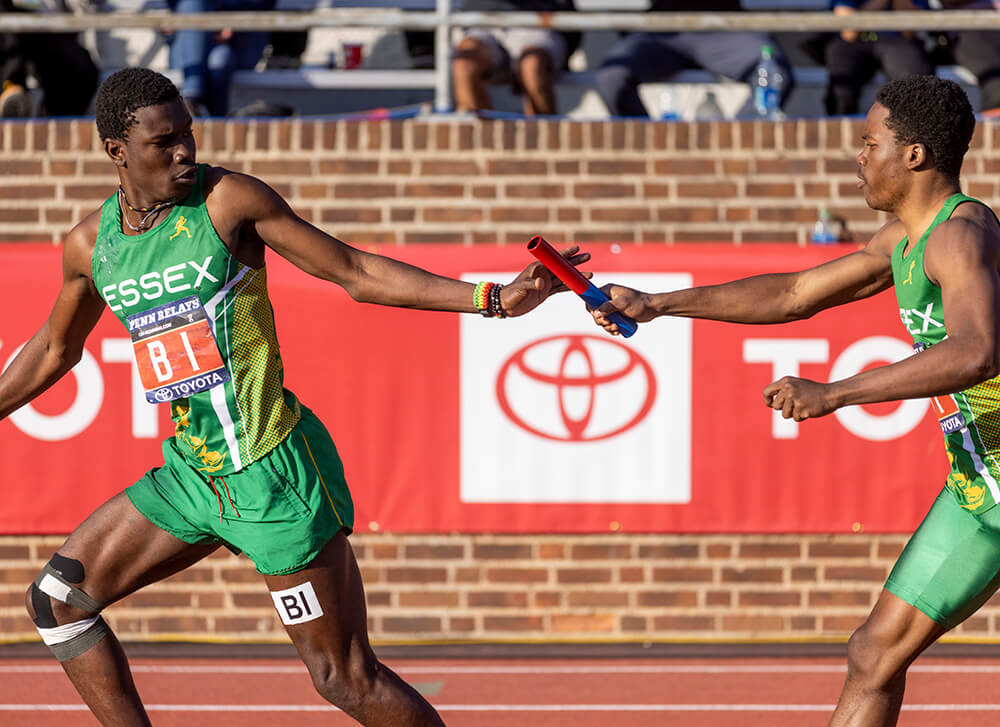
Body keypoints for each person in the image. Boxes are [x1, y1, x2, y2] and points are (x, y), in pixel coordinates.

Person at [3, 66, 588, 727]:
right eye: (164, 143)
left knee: (343, 677)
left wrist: (494, 300)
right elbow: (55, 351)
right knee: (60, 598)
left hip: (271, 474)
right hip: (193, 474)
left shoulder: (228, 203)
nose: (185, 152)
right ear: (117, 151)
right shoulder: (91, 243)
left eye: (188, 134)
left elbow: (356, 272)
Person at [591, 75, 1000, 726]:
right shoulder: (902, 241)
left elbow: (977, 350)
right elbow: (793, 294)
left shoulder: (961, 232)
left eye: (870, 143)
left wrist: (836, 392)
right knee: (874, 654)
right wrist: (658, 304)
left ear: (915, 155)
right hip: (978, 492)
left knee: (878, 653)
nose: (857, 156)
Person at [594, 0, 794, 119]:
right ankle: (650, 154)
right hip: (662, 27)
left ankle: (731, 152)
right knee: (612, 77)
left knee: (775, 72)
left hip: (723, 23)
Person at [451, 0, 578, 116]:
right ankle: (484, 138)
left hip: (540, 21)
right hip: (481, 20)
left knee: (532, 66)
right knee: (464, 64)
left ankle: (542, 138)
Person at [823, 0, 934, 116]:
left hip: (898, 42)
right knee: (841, 92)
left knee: (916, 87)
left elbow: (908, 32)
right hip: (853, 44)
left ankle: (912, 131)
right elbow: (849, 33)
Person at [166, 0, 276, 116]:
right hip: (191, 48)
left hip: (237, 43)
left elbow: (262, 4)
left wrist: (232, 24)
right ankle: (195, 100)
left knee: (220, 60)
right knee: (192, 3)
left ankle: (192, 101)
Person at [0, 0, 99, 117]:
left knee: (80, 67)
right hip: (9, 30)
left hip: (47, 27)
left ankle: (51, 114)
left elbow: (84, 8)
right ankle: (11, 92)